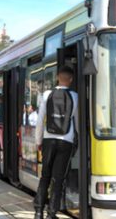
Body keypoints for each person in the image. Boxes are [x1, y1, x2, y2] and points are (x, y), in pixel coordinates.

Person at [34, 66, 78, 219]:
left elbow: (40, 121)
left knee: (45, 175)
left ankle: (38, 211)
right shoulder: (74, 96)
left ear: (58, 77)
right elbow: (77, 122)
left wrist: (38, 141)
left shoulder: (47, 94)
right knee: (57, 178)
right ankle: (51, 213)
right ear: (71, 79)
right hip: (66, 140)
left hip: (48, 139)